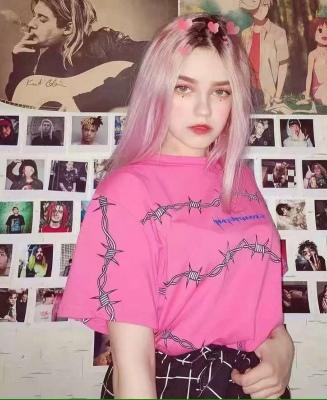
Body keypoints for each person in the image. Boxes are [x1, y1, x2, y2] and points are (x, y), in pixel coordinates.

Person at [58, 14, 294, 399]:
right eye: (184, 88)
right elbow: (134, 363)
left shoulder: (238, 177)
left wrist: (282, 349)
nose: (204, 110)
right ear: (156, 89)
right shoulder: (127, 191)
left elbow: (256, 296)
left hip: (253, 383)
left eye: (221, 92)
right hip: (175, 383)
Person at [6, 0, 146, 112]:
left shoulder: (107, 43)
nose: (31, 24)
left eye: (42, 19)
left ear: (68, 28)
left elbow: (157, 60)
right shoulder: (48, 59)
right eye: (34, 16)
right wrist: (22, 65)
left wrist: (85, 102)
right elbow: (24, 105)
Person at [240, 0, 289, 108]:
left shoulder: (279, 32)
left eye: (264, 5)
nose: (261, 9)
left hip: (268, 93)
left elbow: (283, 65)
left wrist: (277, 96)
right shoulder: (245, 34)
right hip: (248, 90)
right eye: (257, 6)